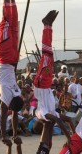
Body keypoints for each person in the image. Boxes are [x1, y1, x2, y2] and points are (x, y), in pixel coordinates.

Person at [32, 10, 77, 140]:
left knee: (46, 53)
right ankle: (49, 26)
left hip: (41, 85)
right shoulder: (51, 114)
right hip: (45, 84)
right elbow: (67, 119)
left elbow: (58, 122)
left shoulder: (42, 115)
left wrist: (69, 137)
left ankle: (46, 25)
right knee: (49, 54)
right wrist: (74, 135)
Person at [0, 0, 24, 140]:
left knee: (13, 26)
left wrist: (14, 135)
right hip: (5, 57)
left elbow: (13, 115)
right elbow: (4, 114)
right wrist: (5, 135)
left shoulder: (17, 93)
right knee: (6, 22)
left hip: (13, 59)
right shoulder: (7, 95)